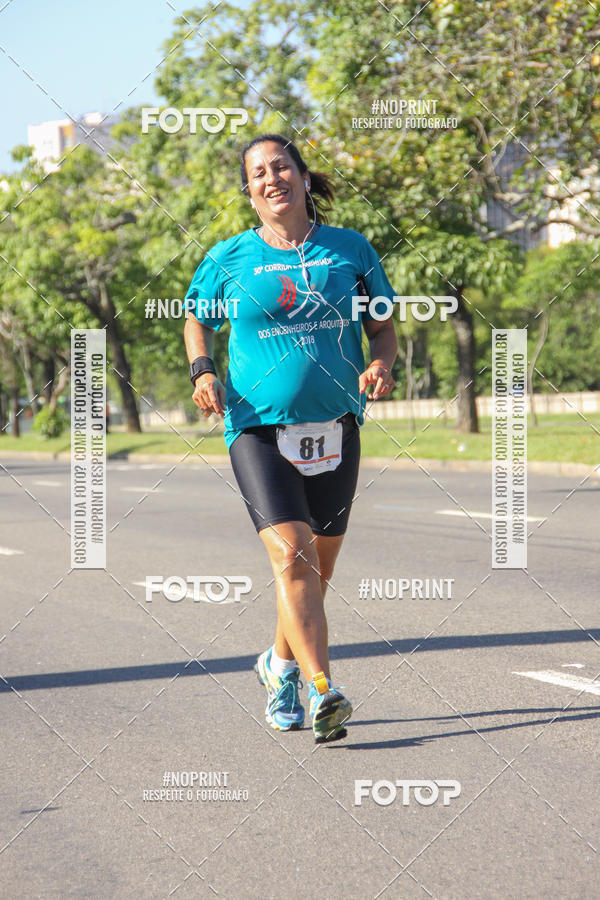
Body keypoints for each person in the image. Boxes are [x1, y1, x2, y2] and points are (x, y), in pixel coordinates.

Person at [183, 134, 398, 742]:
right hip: (255, 427)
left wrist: (381, 364)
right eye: (258, 173)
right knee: (292, 556)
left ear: (304, 178)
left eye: (281, 167)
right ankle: (323, 689)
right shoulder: (229, 259)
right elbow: (196, 316)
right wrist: (203, 371)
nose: (271, 178)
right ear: (250, 193)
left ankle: (277, 665)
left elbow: (383, 327)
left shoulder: (350, 250)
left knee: (311, 572)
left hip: (336, 426)